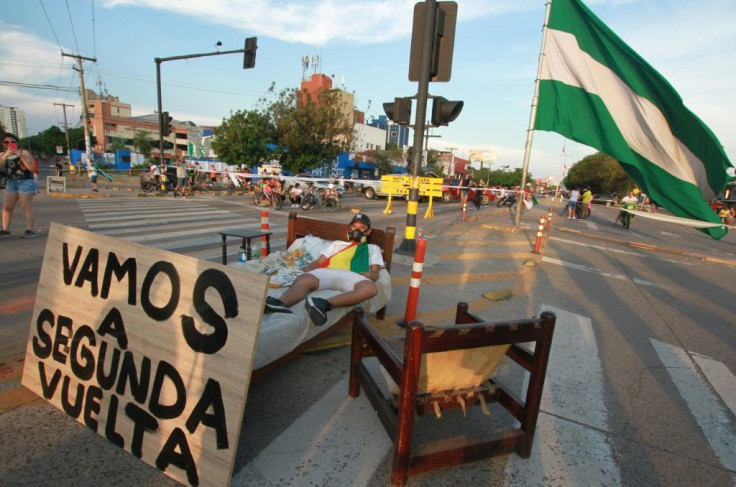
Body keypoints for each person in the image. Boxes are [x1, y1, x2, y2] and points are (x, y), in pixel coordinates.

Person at [264, 213, 383, 326]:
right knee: (304, 280)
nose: (357, 230)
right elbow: (318, 262)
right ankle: (280, 303)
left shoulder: (372, 248)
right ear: (350, 228)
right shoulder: (337, 244)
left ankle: (323, 304)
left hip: (353, 276)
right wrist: (309, 268)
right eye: (354, 226)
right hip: (329, 272)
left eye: (361, 227)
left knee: (371, 289)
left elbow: (374, 272)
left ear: (368, 231)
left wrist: (372, 276)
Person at [0, 133, 37, 238]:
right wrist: (6, 155)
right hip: (11, 182)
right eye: (6, 142)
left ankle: (30, 229)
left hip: (26, 181)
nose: (9, 144)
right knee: (7, 207)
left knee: (25, 207)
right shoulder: (2, 154)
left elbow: (32, 168)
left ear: (16, 143)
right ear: (3, 144)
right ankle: (5, 229)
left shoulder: (24, 152)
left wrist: (22, 158)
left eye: (12, 142)